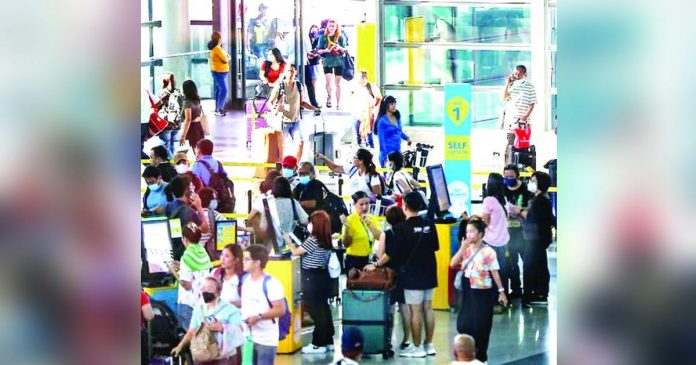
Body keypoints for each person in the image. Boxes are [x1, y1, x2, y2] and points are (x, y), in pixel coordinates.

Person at [374, 192, 438, 358]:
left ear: (405, 207)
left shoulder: (402, 229)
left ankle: (417, 348)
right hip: (430, 270)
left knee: (415, 310)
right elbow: (435, 247)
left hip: (412, 273)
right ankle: (429, 344)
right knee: (428, 308)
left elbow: (391, 253)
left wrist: (375, 265)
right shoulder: (430, 224)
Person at [450, 217, 509, 363]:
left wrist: (501, 292)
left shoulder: (489, 251)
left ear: (481, 234)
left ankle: (481, 357)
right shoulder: (466, 249)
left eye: (472, 231)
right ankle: (468, 354)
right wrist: (462, 248)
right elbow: (452, 264)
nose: (468, 235)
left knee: (481, 326)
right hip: (467, 290)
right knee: (463, 323)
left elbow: (495, 272)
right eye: (467, 232)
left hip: (482, 292)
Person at [284, 211, 335, 354]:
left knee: (316, 311)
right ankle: (328, 341)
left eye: (311, 222)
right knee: (324, 309)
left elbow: (295, 252)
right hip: (323, 276)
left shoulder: (313, 239)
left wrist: (288, 241)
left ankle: (318, 343)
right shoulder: (326, 238)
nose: (309, 225)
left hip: (311, 278)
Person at [364, 205, 411, 352]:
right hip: (407, 272)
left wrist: (375, 264)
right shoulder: (409, 231)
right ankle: (406, 339)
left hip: (390, 274)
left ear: (388, 219)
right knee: (405, 308)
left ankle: (388, 340)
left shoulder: (387, 234)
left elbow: (381, 255)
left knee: (389, 308)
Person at [510, 171, 555, 307]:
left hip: (537, 238)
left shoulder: (542, 200)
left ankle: (528, 296)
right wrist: (518, 213)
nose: (530, 183)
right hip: (533, 237)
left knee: (529, 266)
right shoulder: (535, 198)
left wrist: (519, 211)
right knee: (539, 265)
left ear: (540, 184)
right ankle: (540, 293)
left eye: (533, 181)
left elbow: (532, 217)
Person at [171, 276, 241, 364]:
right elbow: (191, 331)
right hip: (202, 356)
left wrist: (222, 328)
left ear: (218, 291)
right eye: (203, 288)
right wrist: (180, 346)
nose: (205, 291)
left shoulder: (230, 310)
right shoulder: (199, 309)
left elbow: (239, 334)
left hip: (224, 358)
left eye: (210, 288)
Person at [240, 244, 287, 364]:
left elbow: (281, 309)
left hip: (266, 339)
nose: (243, 262)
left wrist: (259, 317)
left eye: (247, 259)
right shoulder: (245, 280)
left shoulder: (271, 284)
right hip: (248, 337)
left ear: (257, 263)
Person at [168, 222, 213, 330]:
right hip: (202, 302)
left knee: (192, 339)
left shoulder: (187, 256)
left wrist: (173, 271)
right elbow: (197, 271)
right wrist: (181, 265)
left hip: (188, 303)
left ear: (185, 239)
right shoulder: (203, 252)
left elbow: (186, 284)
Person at [248, 177, 308, 255]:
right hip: (291, 246)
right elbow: (305, 221)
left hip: (273, 248)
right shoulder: (293, 202)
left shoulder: (268, 203)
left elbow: (263, 228)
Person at [502, 164, 532, 300]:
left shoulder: (526, 190)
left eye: (511, 176)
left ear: (517, 176)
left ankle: (530, 290)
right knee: (511, 263)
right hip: (508, 232)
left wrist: (519, 210)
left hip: (523, 231)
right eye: (506, 176)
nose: (508, 179)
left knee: (528, 261)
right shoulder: (502, 189)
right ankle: (516, 289)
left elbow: (531, 210)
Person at [481, 173, 510, 303]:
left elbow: (485, 222)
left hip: (490, 242)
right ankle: (503, 298)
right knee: (501, 271)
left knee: (492, 273)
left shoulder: (489, 200)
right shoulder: (503, 200)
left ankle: (493, 300)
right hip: (502, 241)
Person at [166, 175, 211, 260]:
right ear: (187, 191)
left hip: (172, 252)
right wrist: (199, 207)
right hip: (186, 256)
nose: (193, 188)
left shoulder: (169, 207)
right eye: (191, 186)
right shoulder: (190, 213)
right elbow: (205, 228)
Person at [215, 244, 245, 365]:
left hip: (237, 324)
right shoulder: (216, 274)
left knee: (236, 354)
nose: (222, 258)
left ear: (236, 259)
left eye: (227, 256)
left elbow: (250, 300)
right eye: (222, 255)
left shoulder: (243, 278)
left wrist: (233, 304)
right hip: (219, 323)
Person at [502, 65, 537, 164]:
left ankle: (520, 166)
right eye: (515, 73)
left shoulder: (529, 86)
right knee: (510, 145)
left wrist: (526, 116)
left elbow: (532, 103)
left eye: (518, 73)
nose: (516, 75)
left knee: (522, 145)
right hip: (511, 120)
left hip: (522, 122)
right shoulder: (511, 85)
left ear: (524, 74)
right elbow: (504, 98)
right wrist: (508, 83)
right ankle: (507, 166)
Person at [316, 148, 383, 199]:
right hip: (353, 209)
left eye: (355, 157)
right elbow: (335, 168)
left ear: (361, 161)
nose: (353, 159)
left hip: (367, 212)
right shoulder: (352, 169)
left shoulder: (373, 176)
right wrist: (323, 158)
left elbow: (378, 198)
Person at [269, 65, 303, 160]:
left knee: (300, 143)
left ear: (295, 72)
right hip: (283, 121)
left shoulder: (299, 85)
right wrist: (275, 110)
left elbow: (302, 102)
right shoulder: (280, 86)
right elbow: (270, 102)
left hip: (296, 120)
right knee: (281, 146)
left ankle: (295, 166)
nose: (290, 73)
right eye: (288, 71)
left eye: (292, 71)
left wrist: (314, 108)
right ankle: (280, 166)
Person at [342, 191, 382, 271]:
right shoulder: (350, 220)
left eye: (367, 203)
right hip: (353, 260)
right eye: (361, 204)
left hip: (369, 259)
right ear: (355, 204)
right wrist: (346, 229)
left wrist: (369, 223)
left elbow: (379, 237)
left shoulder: (372, 219)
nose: (365, 207)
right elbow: (346, 244)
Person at [317, 20, 347, 109]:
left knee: (338, 83)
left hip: (339, 62)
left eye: (333, 26)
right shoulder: (323, 37)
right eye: (330, 26)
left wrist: (339, 47)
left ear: (336, 27)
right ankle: (329, 97)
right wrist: (326, 50)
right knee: (328, 82)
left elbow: (345, 50)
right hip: (327, 61)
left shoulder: (340, 37)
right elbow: (318, 50)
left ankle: (338, 103)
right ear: (327, 27)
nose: (331, 28)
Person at [375, 95, 412, 167]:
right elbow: (381, 140)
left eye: (395, 104)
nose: (394, 106)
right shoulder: (382, 121)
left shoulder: (397, 116)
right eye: (392, 104)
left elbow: (399, 131)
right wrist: (385, 157)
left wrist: (406, 138)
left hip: (397, 152)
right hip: (387, 154)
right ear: (386, 105)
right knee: (388, 177)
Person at [351, 69, 382, 148]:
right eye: (360, 78)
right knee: (357, 137)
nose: (361, 79)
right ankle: (357, 153)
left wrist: (372, 106)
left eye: (363, 77)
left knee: (368, 136)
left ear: (366, 77)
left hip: (368, 115)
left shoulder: (372, 87)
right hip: (357, 114)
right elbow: (350, 96)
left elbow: (378, 98)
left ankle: (370, 153)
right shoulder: (355, 87)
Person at [155, 71, 180, 156]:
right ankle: (175, 165)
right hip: (177, 123)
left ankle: (170, 166)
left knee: (165, 147)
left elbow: (156, 107)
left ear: (163, 81)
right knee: (174, 147)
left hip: (165, 124)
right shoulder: (177, 92)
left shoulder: (161, 93)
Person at [198, 187, 225, 259]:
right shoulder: (215, 214)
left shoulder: (194, 214)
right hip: (210, 254)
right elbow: (228, 225)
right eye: (214, 199)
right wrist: (246, 229)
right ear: (209, 200)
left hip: (198, 254)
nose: (216, 201)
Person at [178, 79, 205, 150]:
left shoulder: (187, 103)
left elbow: (188, 119)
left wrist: (183, 135)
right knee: (199, 149)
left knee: (194, 150)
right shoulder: (197, 100)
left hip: (191, 129)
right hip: (199, 126)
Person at [208, 31, 230, 117]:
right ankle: (220, 109)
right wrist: (227, 58)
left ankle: (218, 109)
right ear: (219, 39)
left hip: (219, 72)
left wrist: (227, 57)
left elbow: (227, 56)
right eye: (221, 37)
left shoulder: (218, 48)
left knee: (218, 90)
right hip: (218, 72)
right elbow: (226, 58)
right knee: (223, 89)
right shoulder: (217, 48)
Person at [304, 25, 321, 109]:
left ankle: (312, 102)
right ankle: (312, 103)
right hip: (306, 62)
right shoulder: (305, 36)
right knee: (309, 83)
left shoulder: (318, 39)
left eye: (315, 30)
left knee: (312, 81)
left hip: (313, 62)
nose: (314, 32)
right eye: (312, 30)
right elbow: (308, 49)